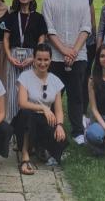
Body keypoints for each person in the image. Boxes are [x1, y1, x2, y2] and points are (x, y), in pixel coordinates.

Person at [43, 0, 92, 145]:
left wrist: (74, 52)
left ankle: (78, 131)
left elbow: (86, 28)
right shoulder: (49, 0)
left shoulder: (82, 1)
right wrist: (64, 51)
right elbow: (49, 29)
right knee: (53, 95)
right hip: (55, 57)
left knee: (76, 94)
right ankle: (51, 127)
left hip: (78, 56)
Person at [14, 43, 67, 173]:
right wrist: (44, 108)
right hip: (26, 117)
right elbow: (22, 103)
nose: (42, 63)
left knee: (60, 139)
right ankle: (25, 154)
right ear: (34, 59)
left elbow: (59, 110)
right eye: (39, 59)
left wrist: (59, 125)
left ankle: (39, 146)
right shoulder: (25, 77)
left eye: (46, 60)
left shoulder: (55, 81)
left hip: (45, 119)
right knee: (27, 116)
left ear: (50, 60)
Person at [3, 0, 47, 122]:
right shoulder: (11, 16)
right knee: (12, 92)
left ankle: (28, 128)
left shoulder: (38, 17)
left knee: (30, 92)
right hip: (14, 55)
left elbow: (41, 38)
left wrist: (34, 57)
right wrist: (9, 56)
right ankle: (12, 128)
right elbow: (6, 38)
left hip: (31, 56)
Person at [74, 0, 96, 127]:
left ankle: (82, 113)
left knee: (84, 79)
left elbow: (92, 23)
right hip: (67, 45)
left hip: (86, 45)